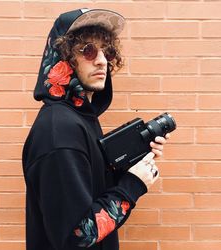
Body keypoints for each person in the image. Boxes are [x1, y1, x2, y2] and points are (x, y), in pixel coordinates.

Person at [22, 8, 170, 250]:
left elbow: (92, 194)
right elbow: (77, 236)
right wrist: (132, 185)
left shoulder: (79, 119)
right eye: (88, 50)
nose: (102, 60)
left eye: (107, 51)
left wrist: (130, 168)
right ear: (63, 57)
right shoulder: (59, 131)